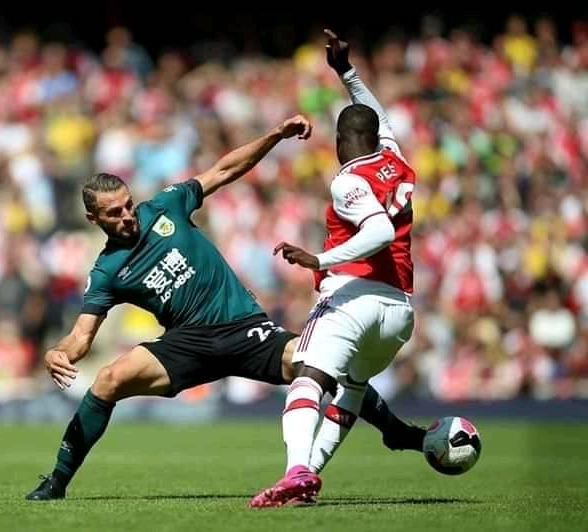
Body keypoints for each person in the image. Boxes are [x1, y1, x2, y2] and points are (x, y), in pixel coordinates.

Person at [26, 112, 424, 502]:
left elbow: (224, 169)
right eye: (115, 213)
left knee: (321, 363)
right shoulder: (106, 271)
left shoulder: (165, 206)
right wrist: (58, 352)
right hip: (187, 344)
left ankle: (393, 430)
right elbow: (81, 337)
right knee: (108, 380)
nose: (128, 216)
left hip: (243, 328)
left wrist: (275, 134)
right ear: (92, 218)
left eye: (128, 205)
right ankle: (57, 481)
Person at [250, 30, 419, 508]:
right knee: (352, 391)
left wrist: (320, 259)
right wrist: (346, 72)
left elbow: (379, 230)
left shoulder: (348, 180)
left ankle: (296, 470)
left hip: (353, 297)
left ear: (342, 141)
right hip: (398, 311)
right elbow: (377, 115)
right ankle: (305, 481)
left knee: (308, 377)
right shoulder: (395, 159)